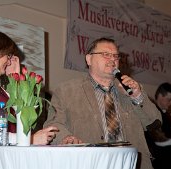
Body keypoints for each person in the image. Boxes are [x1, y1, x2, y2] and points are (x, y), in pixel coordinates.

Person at [44, 37, 161, 169]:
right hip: (88, 163)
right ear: (89, 59)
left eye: (116, 56)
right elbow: (53, 124)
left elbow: (154, 123)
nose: (112, 59)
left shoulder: (131, 90)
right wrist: (66, 137)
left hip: (131, 164)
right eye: (106, 54)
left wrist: (137, 96)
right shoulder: (66, 91)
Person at [0, 30, 58, 169]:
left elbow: (20, 118)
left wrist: (15, 78)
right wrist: (30, 139)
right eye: (8, 55)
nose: (8, 61)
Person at [145, 82, 171, 169]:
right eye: (169, 100)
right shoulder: (151, 112)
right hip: (156, 159)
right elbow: (157, 139)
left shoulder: (167, 115)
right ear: (160, 96)